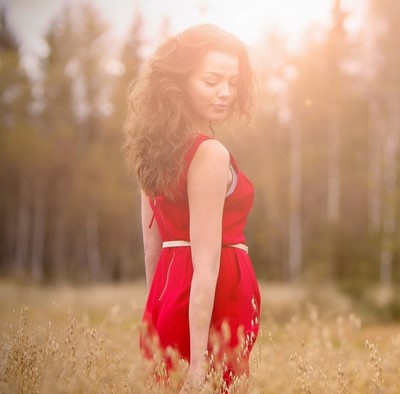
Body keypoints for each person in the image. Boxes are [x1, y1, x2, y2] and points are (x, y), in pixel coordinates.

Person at [123, 24, 261, 391]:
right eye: (212, 80)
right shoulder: (210, 153)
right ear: (180, 83)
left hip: (169, 296)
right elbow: (205, 262)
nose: (226, 92)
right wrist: (199, 364)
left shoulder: (154, 150)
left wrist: (154, 320)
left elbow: (153, 250)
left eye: (233, 81)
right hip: (214, 300)